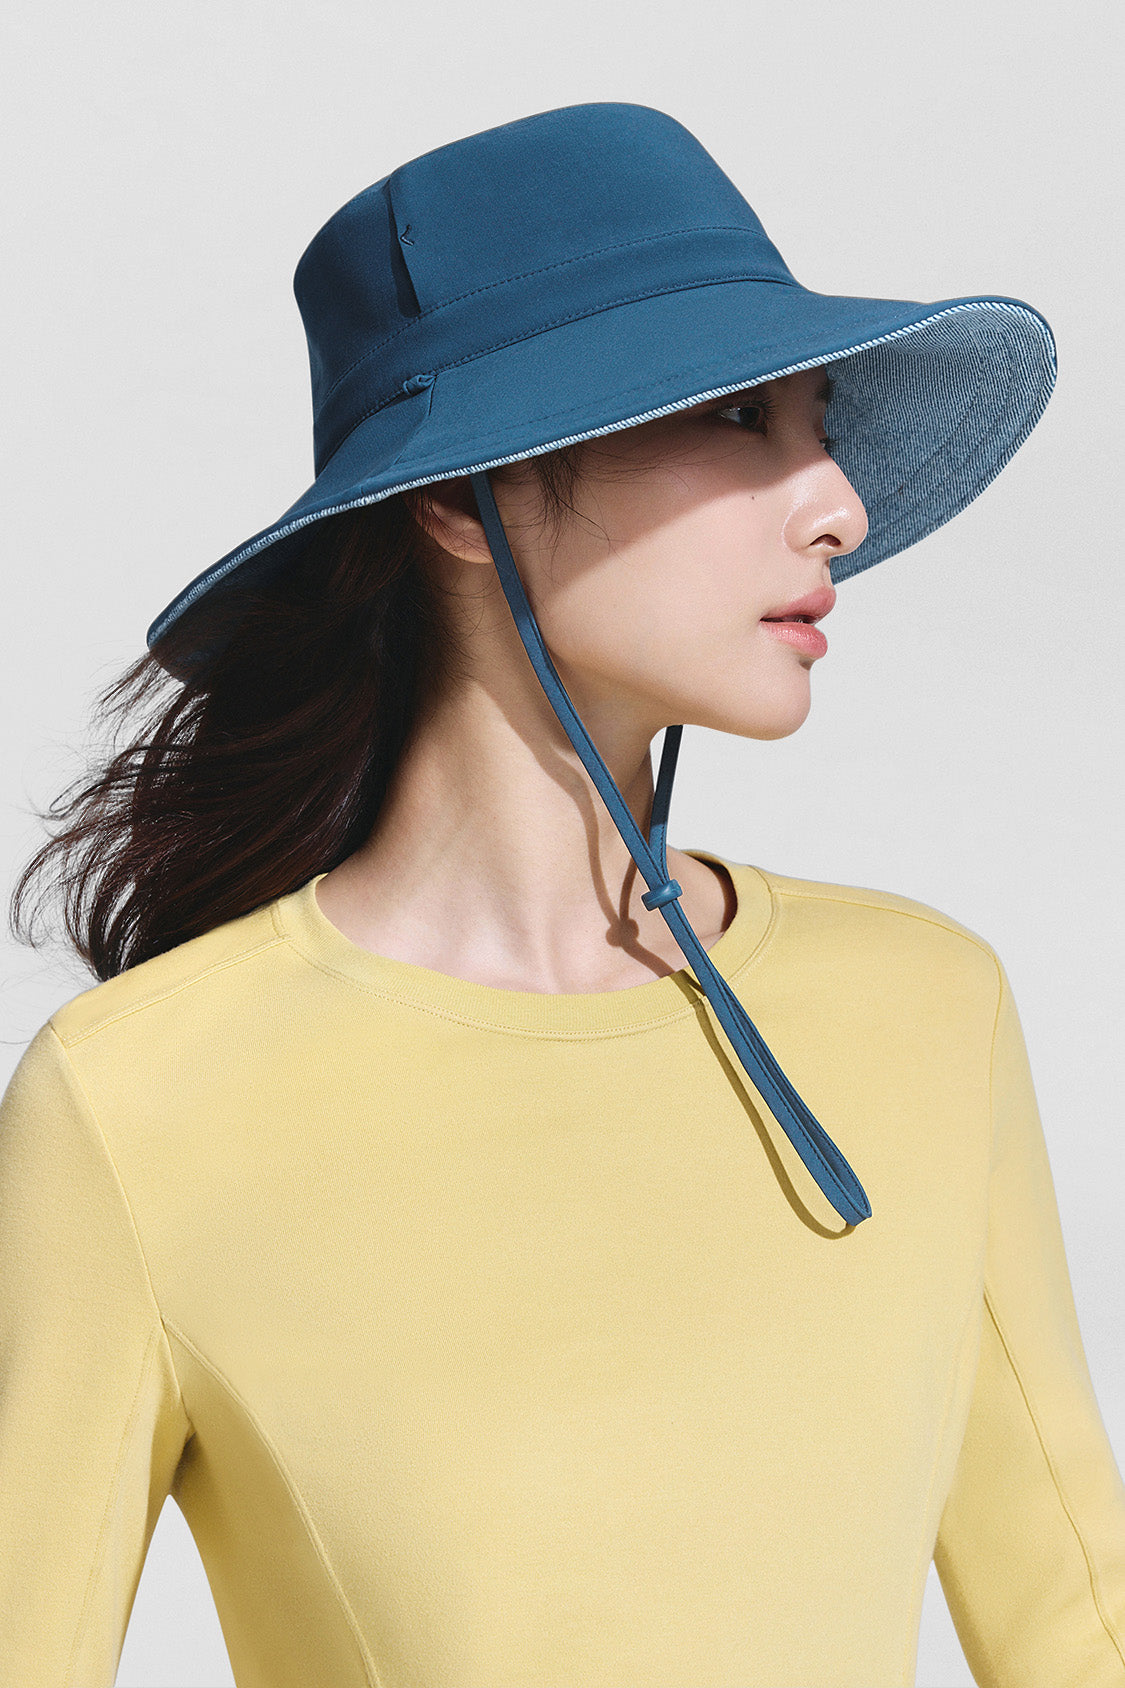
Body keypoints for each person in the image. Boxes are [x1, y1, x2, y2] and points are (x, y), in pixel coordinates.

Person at [2, 101, 1123, 1687]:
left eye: (815, 423)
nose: (838, 506)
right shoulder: (141, 1101)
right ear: (458, 497)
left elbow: (1080, 1628)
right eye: (737, 416)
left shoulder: (925, 1009)